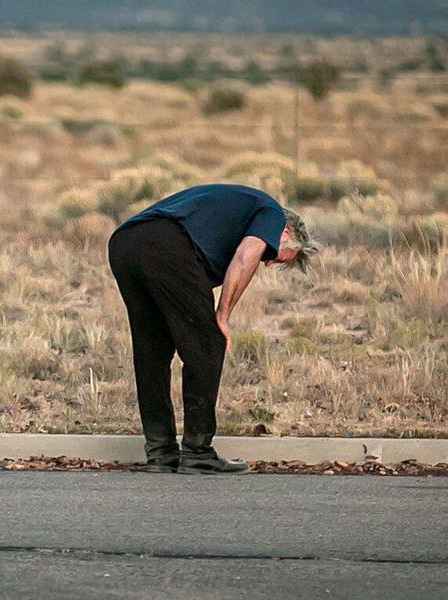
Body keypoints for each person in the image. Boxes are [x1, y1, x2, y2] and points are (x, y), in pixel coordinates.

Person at [107, 183, 318, 474]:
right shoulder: (272, 213)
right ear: (286, 233)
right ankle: (197, 452)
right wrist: (223, 315)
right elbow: (246, 257)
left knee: (152, 353)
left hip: (125, 243)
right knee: (209, 344)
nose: (268, 262)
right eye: (276, 256)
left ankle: (160, 454)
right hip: (165, 243)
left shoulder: (236, 212)